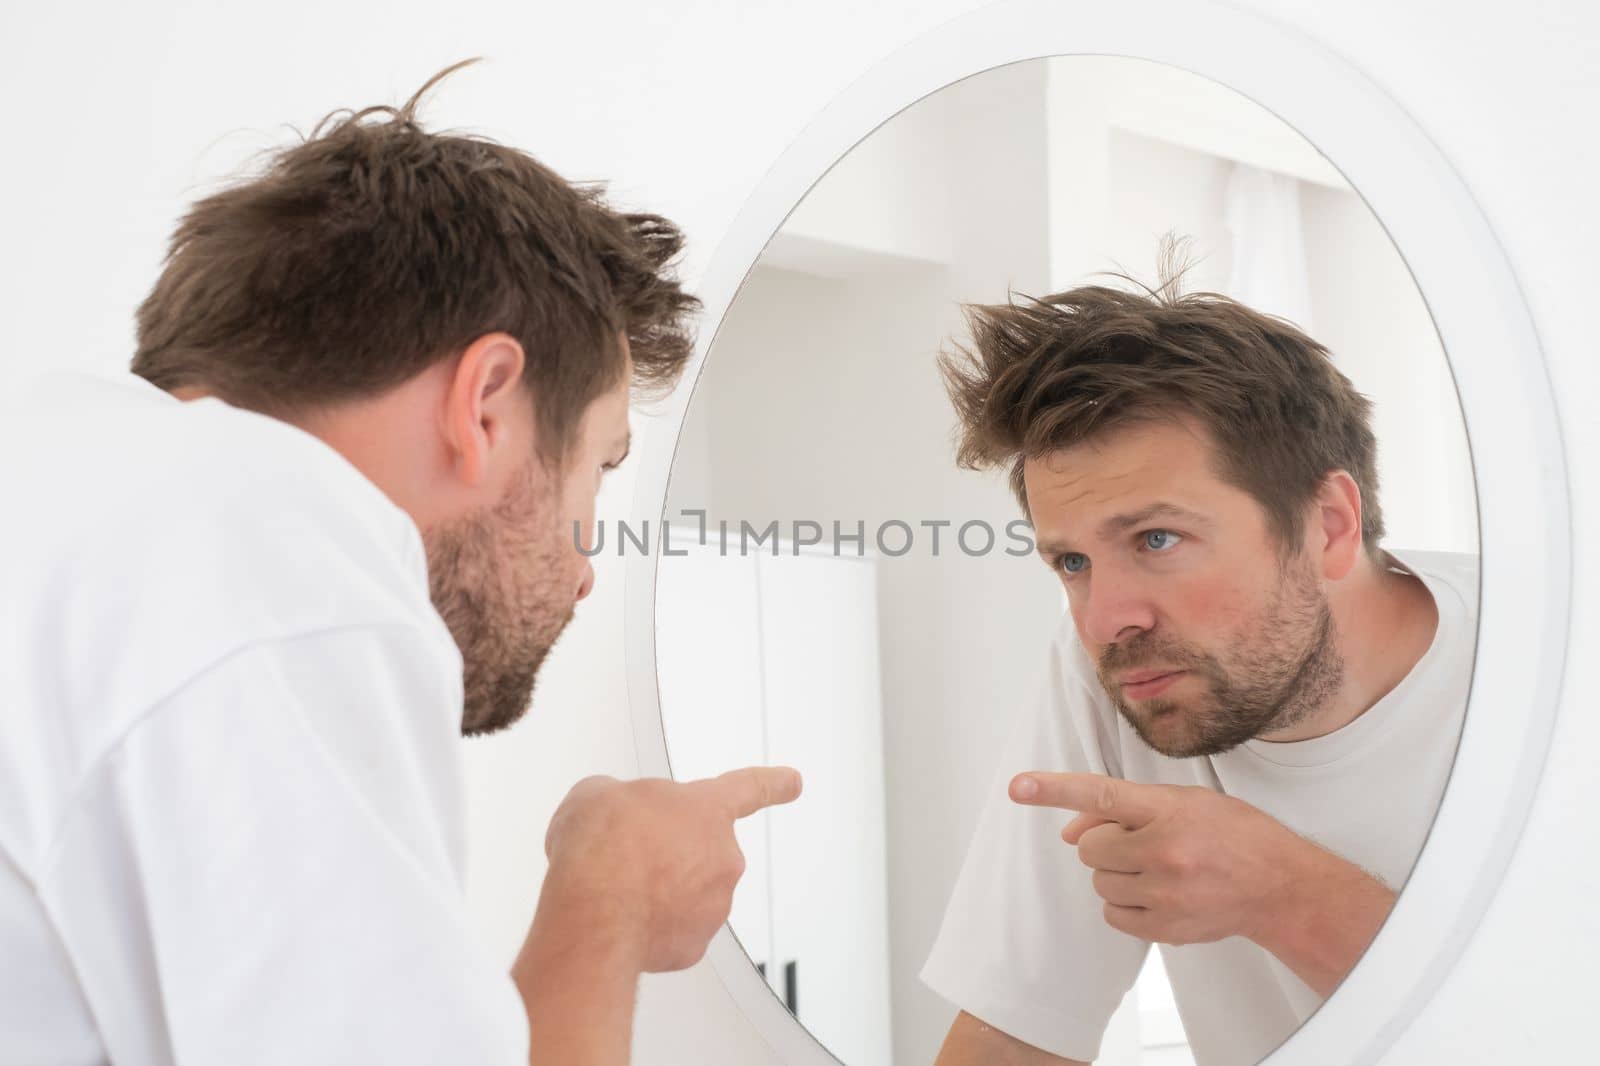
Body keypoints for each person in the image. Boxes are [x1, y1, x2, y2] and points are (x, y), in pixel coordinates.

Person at [0, 61, 799, 1065]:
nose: (587, 569)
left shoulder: (64, 484)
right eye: (595, 469)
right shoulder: (278, 562)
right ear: (486, 405)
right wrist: (612, 895)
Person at [920, 274, 1477, 1065]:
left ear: (1328, 526)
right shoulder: (1115, 668)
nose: (1108, 618)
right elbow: (1016, 1032)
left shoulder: (1551, 660)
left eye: (1155, 540)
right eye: (1072, 560)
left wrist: (1287, 892)